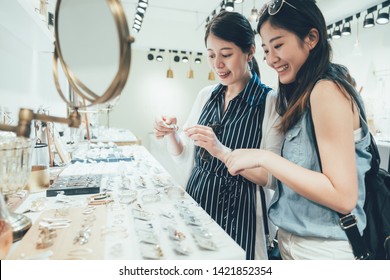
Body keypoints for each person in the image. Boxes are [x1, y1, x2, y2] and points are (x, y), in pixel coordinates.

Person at [225, 0, 372, 260]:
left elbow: (343, 195)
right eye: (266, 50)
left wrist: (265, 158)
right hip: (295, 243)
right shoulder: (302, 94)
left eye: (278, 45)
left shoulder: (327, 91)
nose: (271, 59)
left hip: (324, 251)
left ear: (312, 37)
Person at [153, 11, 282, 259]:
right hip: (197, 205)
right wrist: (171, 134)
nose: (217, 65)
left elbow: (272, 178)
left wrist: (222, 152)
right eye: (211, 55)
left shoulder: (270, 102)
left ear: (250, 52)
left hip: (242, 218)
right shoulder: (206, 95)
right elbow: (185, 156)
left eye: (226, 55)